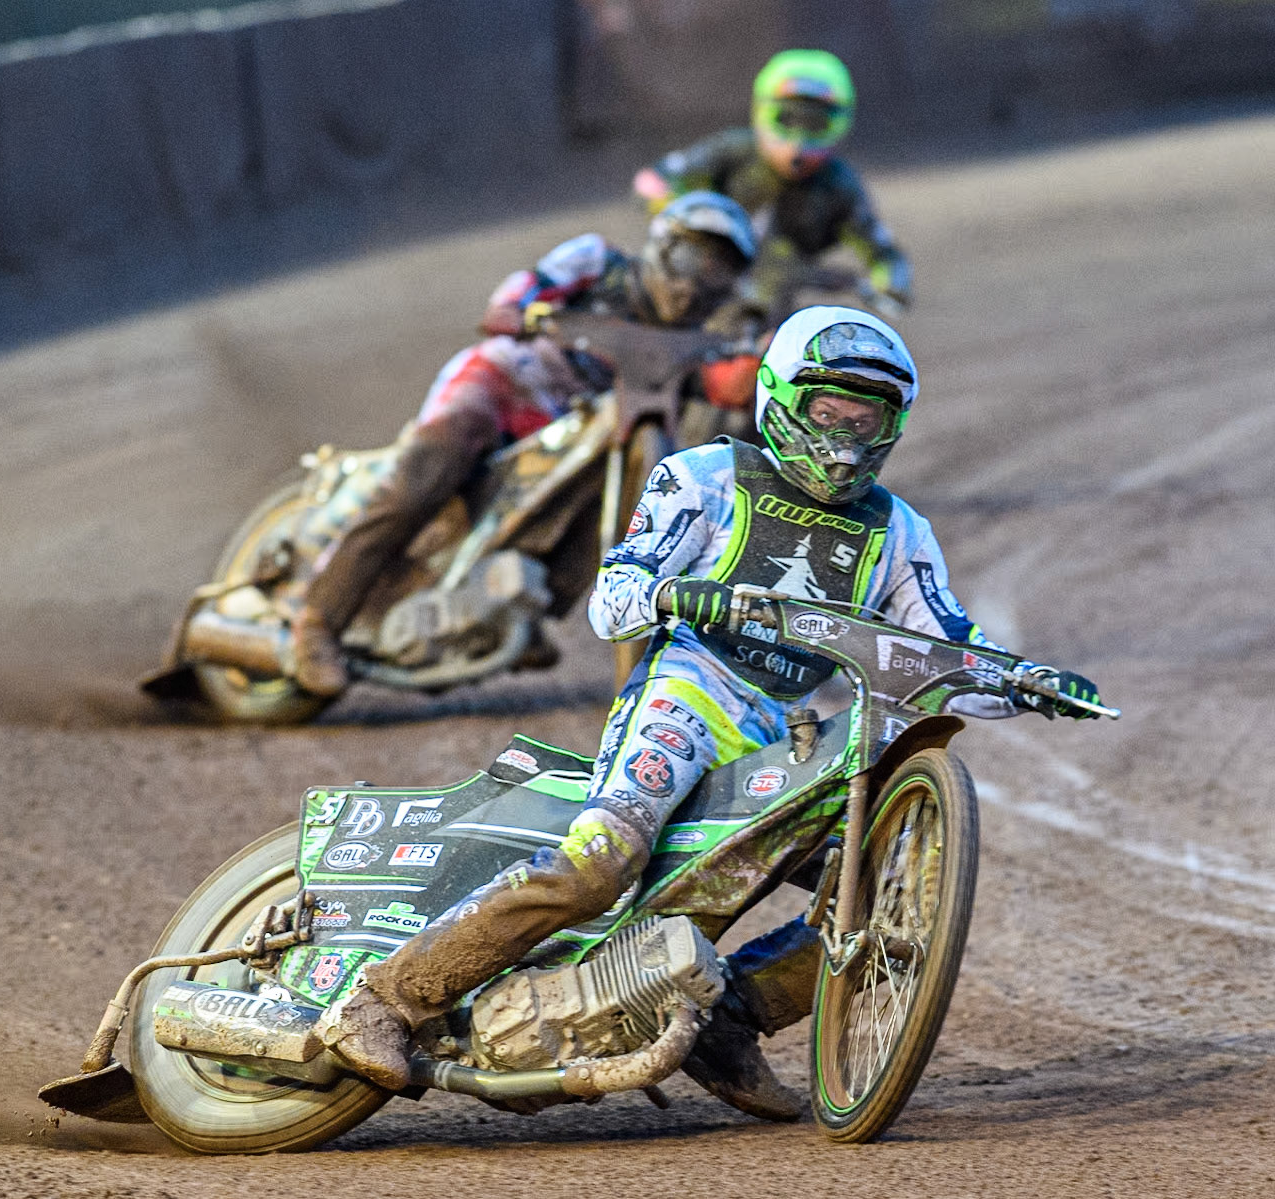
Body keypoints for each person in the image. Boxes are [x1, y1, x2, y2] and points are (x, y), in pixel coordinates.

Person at [320, 306, 1100, 1120]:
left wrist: (1026, 681)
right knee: (600, 862)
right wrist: (671, 592)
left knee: (882, 895)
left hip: (778, 733)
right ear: (781, 400)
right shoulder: (705, 476)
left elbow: (944, 653)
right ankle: (385, 1000)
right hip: (684, 695)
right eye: (827, 412)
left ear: (891, 425)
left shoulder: (900, 533)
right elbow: (612, 596)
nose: (843, 436)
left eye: (863, 419)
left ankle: (728, 1020)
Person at [290, 191, 758, 697]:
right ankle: (318, 621)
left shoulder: (691, 347)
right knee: (433, 464)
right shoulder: (599, 262)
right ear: (664, 246)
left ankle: (529, 609)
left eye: (718, 273)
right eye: (693, 258)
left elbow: (729, 389)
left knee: (628, 511)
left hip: (577, 434)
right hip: (507, 382)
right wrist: (518, 310)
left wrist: (766, 365)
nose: (696, 283)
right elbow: (524, 290)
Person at [632, 49, 912, 321]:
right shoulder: (734, 151)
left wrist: (888, 287)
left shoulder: (838, 186)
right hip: (700, 291)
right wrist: (690, 223)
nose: (798, 142)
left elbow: (883, 253)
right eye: (787, 119)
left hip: (774, 312)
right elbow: (653, 182)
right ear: (762, 111)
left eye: (815, 124)